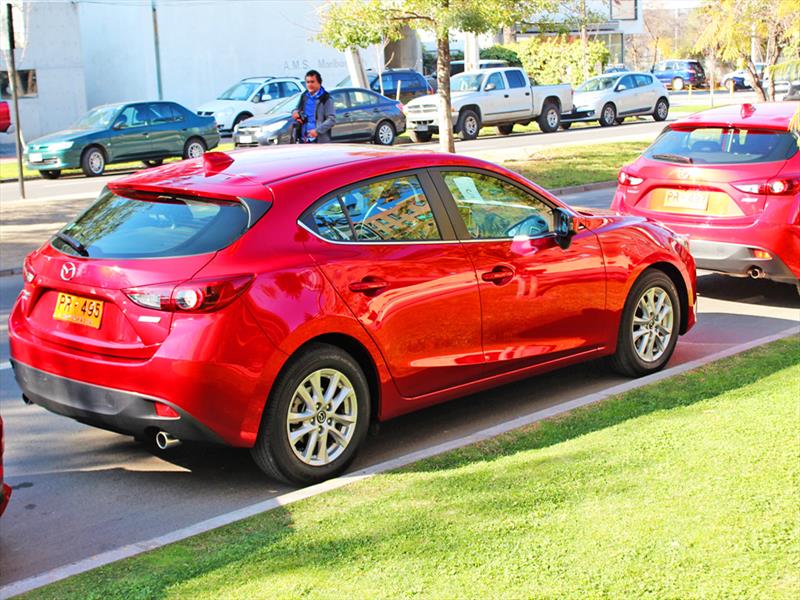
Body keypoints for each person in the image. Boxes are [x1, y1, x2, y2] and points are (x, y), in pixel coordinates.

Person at [292, 69, 336, 143]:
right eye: (308, 82)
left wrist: (317, 131)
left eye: (312, 82)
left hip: (319, 140)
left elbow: (331, 120)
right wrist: (295, 112)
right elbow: (296, 109)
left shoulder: (326, 99)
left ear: (319, 83)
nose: (310, 85)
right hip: (304, 139)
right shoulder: (304, 96)